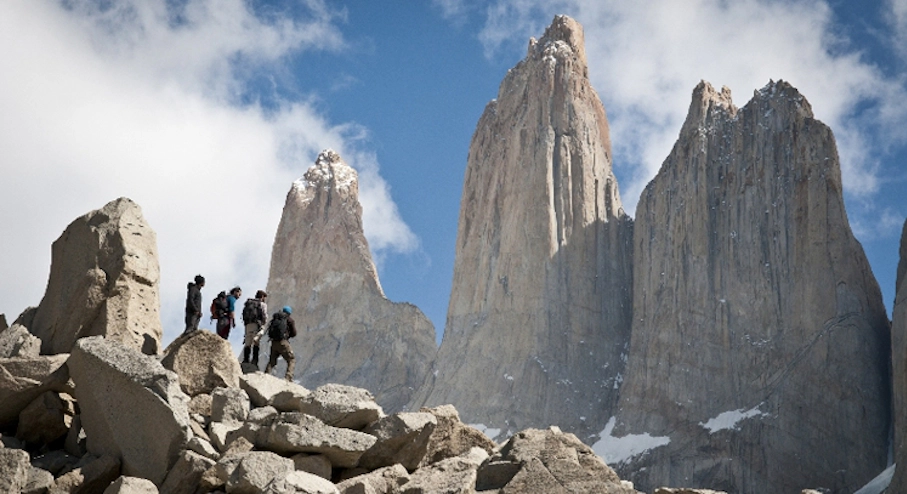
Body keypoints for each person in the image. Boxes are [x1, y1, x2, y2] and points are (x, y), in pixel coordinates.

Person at [264, 306, 297, 381]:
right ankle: (288, 377)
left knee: (272, 361)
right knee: (291, 359)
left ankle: (266, 374)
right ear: (289, 313)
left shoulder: (276, 318)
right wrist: (288, 335)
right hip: (283, 342)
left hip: (274, 342)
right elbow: (294, 333)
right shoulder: (290, 320)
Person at [241, 290, 268, 368]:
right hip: (256, 324)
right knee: (256, 342)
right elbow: (264, 315)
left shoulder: (249, 303)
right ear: (262, 297)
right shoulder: (262, 304)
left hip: (247, 325)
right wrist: (263, 323)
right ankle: (254, 361)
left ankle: (246, 360)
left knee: (247, 343)